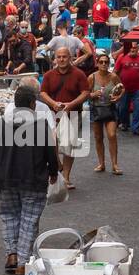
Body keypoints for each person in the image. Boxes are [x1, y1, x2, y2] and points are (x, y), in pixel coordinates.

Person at [0, 84, 60, 275]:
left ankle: (12, 255)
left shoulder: (2, 123)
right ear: (33, 104)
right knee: (29, 220)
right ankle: (23, 263)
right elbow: (51, 152)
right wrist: (53, 172)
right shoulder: (41, 125)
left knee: (9, 217)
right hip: (33, 180)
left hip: (6, 179)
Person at [40, 44, 89, 190]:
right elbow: (43, 93)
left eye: (64, 57)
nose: (61, 59)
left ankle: (66, 177)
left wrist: (71, 104)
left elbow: (85, 92)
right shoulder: (49, 75)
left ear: (70, 58)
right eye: (59, 57)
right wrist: (53, 104)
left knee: (70, 146)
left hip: (73, 113)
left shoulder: (79, 74)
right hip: (53, 114)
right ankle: (57, 165)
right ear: (55, 59)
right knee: (52, 144)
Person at [88, 50, 125, 176]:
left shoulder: (113, 76)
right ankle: (101, 163)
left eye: (106, 62)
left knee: (112, 135)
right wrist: (93, 94)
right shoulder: (92, 77)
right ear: (97, 64)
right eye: (101, 62)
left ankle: (115, 164)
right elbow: (85, 94)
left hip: (110, 109)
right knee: (98, 138)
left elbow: (122, 87)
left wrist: (118, 97)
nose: (104, 64)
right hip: (96, 109)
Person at [114, 39, 139, 136]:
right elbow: (115, 72)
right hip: (124, 88)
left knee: (138, 109)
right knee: (123, 108)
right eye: (131, 48)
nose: (133, 50)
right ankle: (125, 124)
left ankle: (136, 128)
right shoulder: (121, 57)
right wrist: (114, 84)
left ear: (138, 48)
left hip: (138, 88)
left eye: (135, 48)